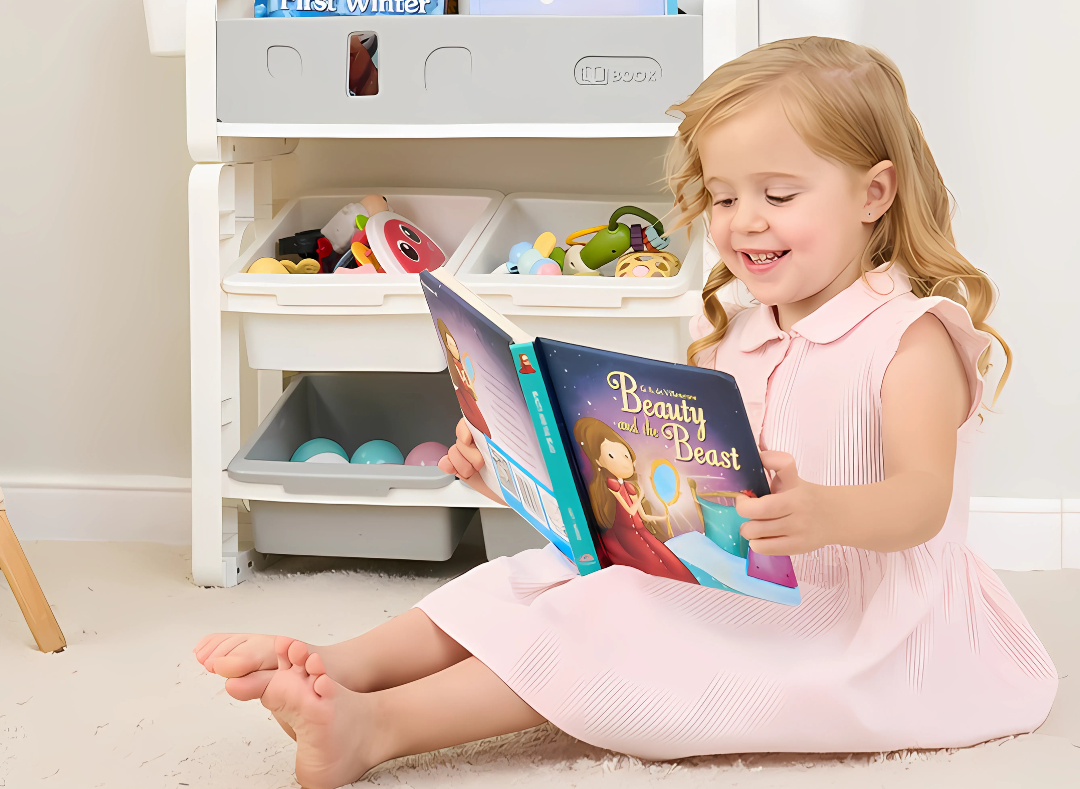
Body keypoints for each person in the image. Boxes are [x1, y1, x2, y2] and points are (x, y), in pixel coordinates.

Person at [194, 38, 1056, 788]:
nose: (743, 223)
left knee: (611, 618)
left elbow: (920, 503)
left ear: (874, 195)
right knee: (533, 577)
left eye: (779, 195)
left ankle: (377, 729)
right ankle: (339, 670)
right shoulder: (741, 335)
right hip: (749, 577)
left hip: (868, 621)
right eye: (722, 197)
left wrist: (824, 509)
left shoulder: (910, 338)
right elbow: (675, 496)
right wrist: (521, 472)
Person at [575, 416, 697, 582]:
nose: (625, 463)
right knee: (653, 565)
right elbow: (630, 509)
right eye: (611, 456)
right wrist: (638, 498)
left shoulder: (629, 487)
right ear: (599, 461)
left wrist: (660, 517)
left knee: (670, 562)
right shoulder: (613, 485)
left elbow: (642, 516)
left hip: (641, 531)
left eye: (626, 456)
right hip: (626, 534)